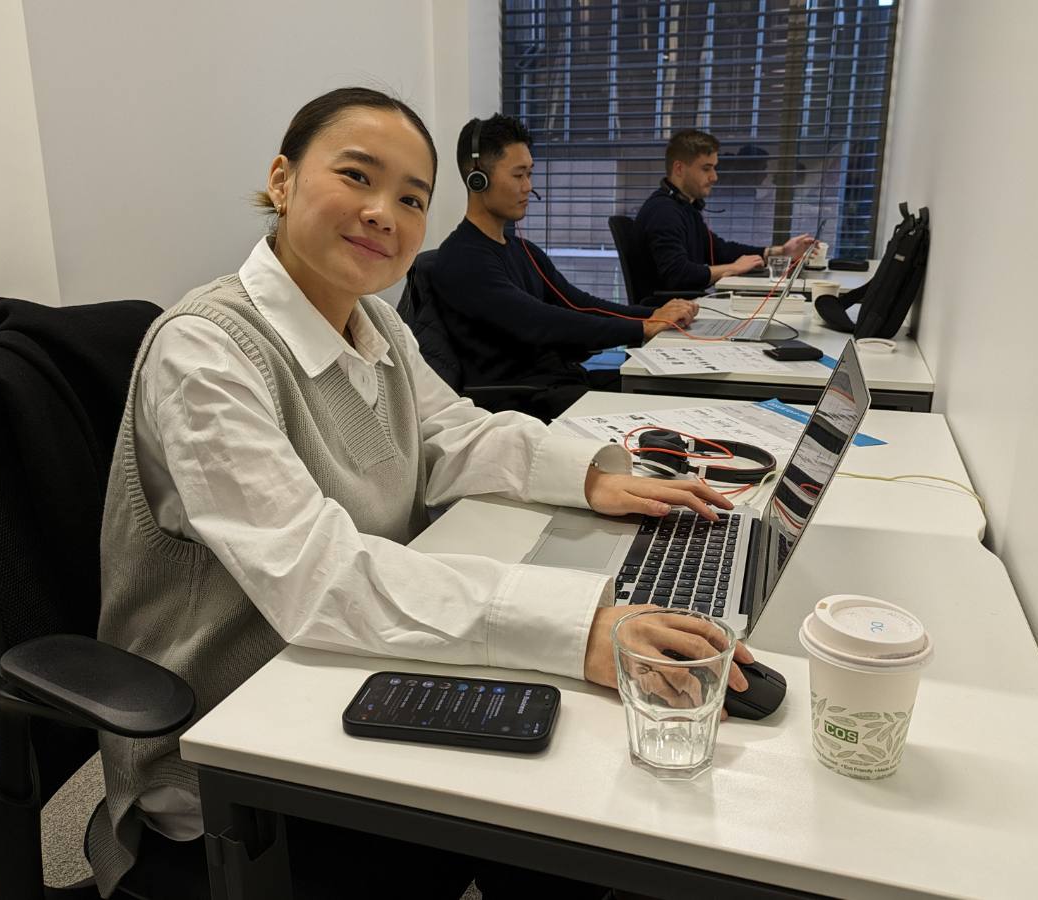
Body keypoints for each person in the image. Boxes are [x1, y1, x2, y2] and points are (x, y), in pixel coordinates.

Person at [89, 87, 754, 899]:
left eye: (410, 198)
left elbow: (453, 433)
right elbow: (317, 575)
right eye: (357, 177)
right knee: (569, 796)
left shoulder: (374, 322)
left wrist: (601, 477)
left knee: (580, 769)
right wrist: (580, 623)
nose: (383, 213)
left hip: (346, 669)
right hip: (235, 740)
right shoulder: (205, 353)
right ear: (283, 180)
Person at [432, 114, 699, 421]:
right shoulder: (463, 259)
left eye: (530, 174)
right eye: (519, 175)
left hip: (561, 386)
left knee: (678, 397)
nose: (528, 187)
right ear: (476, 178)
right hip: (524, 405)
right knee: (670, 418)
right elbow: (542, 322)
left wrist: (652, 314)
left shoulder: (522, 249)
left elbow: (577, 302)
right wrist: (642, 327)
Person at [635, 129, 814, 291]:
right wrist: (732, 268)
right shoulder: (663, 212)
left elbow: (720, 251)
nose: (714, 177)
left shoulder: (685, 208)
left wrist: (780, 252)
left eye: (714, 168)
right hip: (670, 314)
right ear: (679, 169)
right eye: (706, 169)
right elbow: (678, 275)